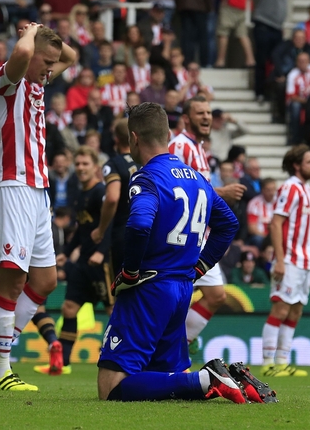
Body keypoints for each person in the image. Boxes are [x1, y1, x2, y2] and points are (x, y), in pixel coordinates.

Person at [97, 102, 273, 404]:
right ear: (168, 134)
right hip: (182, 289)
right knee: (167, 378)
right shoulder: (197, 178)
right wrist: (200, 267)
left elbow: (139, 225)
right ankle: (228, 379)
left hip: (149, 288)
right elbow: (228, 224)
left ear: (133, 139)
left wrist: (130, 272)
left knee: (110, 387)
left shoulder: (146, 177)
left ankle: (207, 378)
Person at [0, 22, 75, 392]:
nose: (50, 68)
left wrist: (42, 32)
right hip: (12, 187)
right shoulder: (5, 84)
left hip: (38, 190)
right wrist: (29, 34)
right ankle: (1, 370)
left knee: (46, 281)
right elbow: (21, 53)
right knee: (13, 280)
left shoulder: (37, 83)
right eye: (45, 61)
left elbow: (71, 56)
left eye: (51, 63)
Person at [168, 96, 246, 358]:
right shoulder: (180, 146)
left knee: (216, 296)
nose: (206, 117)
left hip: (200, 236)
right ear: (186, 118)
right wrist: (223, 192)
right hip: (183, 237)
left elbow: (200, 191)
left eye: (209, 113)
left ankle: (183, 341)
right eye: (200, 113)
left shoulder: (199, 148)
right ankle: (166, 351)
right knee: (176, 297)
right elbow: (178, 187)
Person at [262, 144, 310, 377]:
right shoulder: (290, 188)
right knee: (281, 308)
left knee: (295, 311)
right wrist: (279, 260)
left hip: (305, 261)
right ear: (296, 165)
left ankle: (282, 362)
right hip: (289, 260)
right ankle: (267, 363)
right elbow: (276, 224)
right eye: (309, 162)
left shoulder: (308, 191)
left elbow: (302, 226)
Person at [43, 147, 111, 375]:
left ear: (95, 167)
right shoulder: (81, 194)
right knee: (69, 308)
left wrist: (101, 251)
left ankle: (122, 361)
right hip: (83, 262)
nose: (81, 168)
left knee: (114, 310)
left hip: (102, 263)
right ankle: (62, 364)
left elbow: (111, 225)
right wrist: (67, 251)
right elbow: (82, 230)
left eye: (85, 164)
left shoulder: (101, 192)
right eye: (78, 164)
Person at [91, 118, 140, 302]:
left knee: (122, 294)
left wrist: (101, 230)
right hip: (151, 232)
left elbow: (112, 198)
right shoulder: (148, 162)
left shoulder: (113, 164)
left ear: (116, 139)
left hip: (123, 234)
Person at [246, 178, 277, 248]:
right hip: (261, 237)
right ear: (262, 190)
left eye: (273, 189)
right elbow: (252, 228)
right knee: (258, 239)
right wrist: (267, 238)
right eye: (268, 190)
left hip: (276, 235)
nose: (271, 193)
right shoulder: (254, 203)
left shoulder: (279, 202)